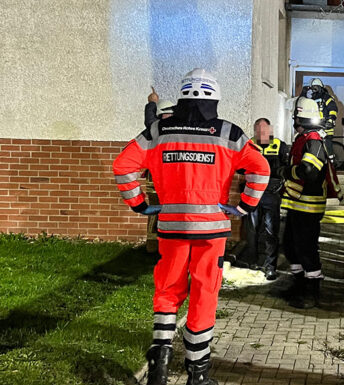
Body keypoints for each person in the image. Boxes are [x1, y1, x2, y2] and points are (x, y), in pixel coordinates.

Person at [113, 68, 270, 385]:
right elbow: (261, 170)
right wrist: (243, 206)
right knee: (204, 294)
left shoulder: (159, 130)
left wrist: (140, 205)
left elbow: (123, 166)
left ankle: (159, 360)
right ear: (215, 98)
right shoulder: (228, 133)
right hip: (211, 231)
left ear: (183, 95)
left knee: (168, 289)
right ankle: (197, 376)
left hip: (171, 227)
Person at [281, 96, 330, 309]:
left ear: (299, 117)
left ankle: (312, 292)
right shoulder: (304, 138)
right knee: (291, 246)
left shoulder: (314, 141)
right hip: (297, 203)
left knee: (306, 249)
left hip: (309, 206)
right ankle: (298, 285)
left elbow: (308, 171)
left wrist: (286, 171)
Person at [235, 118, 289, 280]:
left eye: (264, 130)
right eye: (258, 130)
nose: (261, 133)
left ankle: (270, 266)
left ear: (271, 130)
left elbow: (286, 167)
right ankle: (252, 261)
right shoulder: (249, 145)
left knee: (271, 230)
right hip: (253, 193)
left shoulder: (280, 146)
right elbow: (239, 165)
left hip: (271, 194)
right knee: (251, 229)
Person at [142, 88, 176, 253]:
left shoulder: (162, 130)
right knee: (157, 211)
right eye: (166, 114)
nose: (169, 117)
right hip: (158, 180)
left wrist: (152, 103)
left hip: (165, 179)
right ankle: (154, 246)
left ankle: (160, 246)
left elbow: (150, 122)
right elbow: (151, 123)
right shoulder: (162, 129)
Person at [301, 78, 338, 160]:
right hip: (314, 126)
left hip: (325, 126)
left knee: (327, 143)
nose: (314, 89)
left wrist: (330, 119)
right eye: (313, 87)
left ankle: (331, 160)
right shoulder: (311, 100)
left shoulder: (327, 97)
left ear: (321, 87)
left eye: (316, 87)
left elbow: (333, 108)